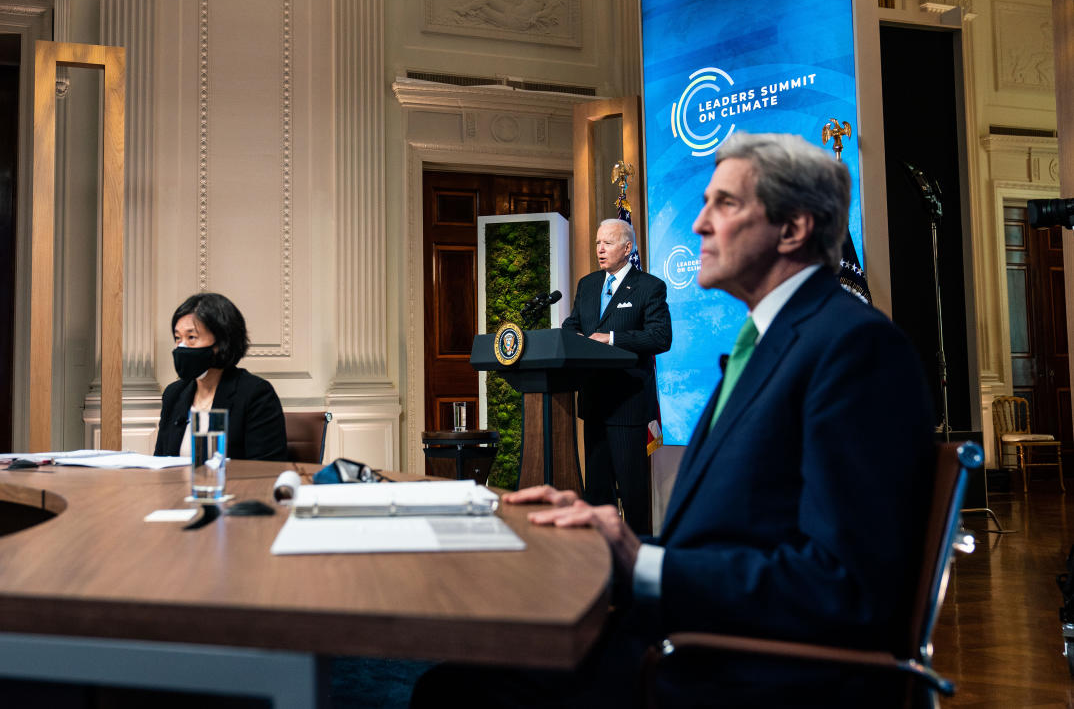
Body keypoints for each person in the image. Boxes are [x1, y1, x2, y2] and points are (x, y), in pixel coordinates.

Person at [412, 133, 934, 707]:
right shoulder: (765, 341)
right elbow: (724, 534)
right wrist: (602, 538)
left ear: (794, 228)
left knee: (451, 693)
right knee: (459, 672)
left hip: (732, 670)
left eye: (725, 204)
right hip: (684, 632)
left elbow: (844, 589)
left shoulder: (855, 350)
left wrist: (641, 560)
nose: (698, 225)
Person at [562, 217, 671, 533]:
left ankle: (638, 560)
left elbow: (660, 337)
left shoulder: (650, 287)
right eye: (597, 242)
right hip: (594, 404)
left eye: (607, 243)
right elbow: (574, 325)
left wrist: (609, 337)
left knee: (633, 495)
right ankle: (602, 562)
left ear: (627, 248)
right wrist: (570, 338)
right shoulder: (588, 284)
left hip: (629, 406)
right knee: (597, 494)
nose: (600, 249)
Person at [154, 292, 287, 461]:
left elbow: (266, 470)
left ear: (221, 341)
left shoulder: (255, 394)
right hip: (177, 487)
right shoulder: (174, 394)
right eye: (178, 338)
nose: (182, 346)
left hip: (231, 487)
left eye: (191, 337)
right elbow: (159, 462)